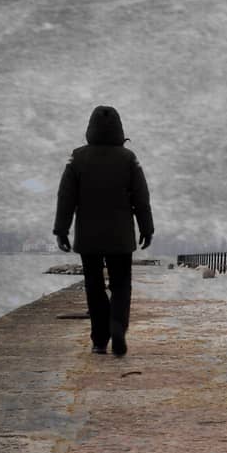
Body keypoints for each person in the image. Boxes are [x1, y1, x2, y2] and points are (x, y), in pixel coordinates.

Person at [52, 105, 154, 357]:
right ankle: (117, 325)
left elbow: (66, 196)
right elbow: (141, 198)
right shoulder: (129, 158)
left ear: (90, 128)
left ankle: (99, 340)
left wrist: (61, 230)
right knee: (121, 284)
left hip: (88, 235)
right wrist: (146, 228)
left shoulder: (77, 157)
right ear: (119, 129)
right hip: (121, 236)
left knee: (94, 285)